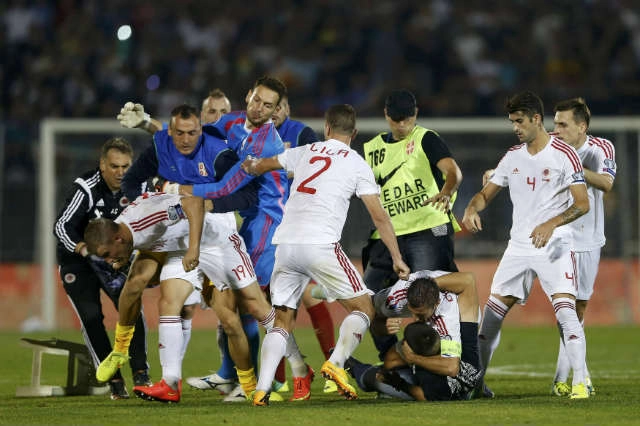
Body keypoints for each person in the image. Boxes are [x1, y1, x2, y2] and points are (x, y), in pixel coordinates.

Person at [241, 104, 410, 406]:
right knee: (364, 307)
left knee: (282, 320)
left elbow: (264, 164)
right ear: (354, 133)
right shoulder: (357, 163)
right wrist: (397, 257)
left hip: (286, 244)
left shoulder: (305, 151)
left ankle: (262, 389)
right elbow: (379, 216)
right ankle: (336, 362)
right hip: (320, 244)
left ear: (327, 128)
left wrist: (249, 164)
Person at [462, 90, 591, 399]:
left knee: (566, 312)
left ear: (536, 119)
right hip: (519, 247)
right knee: (491, 317)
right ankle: (475, 385)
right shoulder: (512, 157)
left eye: (519, 121)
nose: (515, 127)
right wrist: (471, 208)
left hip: (555, 244)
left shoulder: (564, 154)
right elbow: (485, 194)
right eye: (512, 122)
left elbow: (582, 203)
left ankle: (579, 382)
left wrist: (551, 224)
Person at [53, 137, 150, 400]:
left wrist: (129, 255)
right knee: (92, 317)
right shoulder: (86, 187)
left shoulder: (140, 185)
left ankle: (141, 373)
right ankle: (114, 380)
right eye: (114, 166)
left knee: (131, 309)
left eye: (125, 166)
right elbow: (61, 226)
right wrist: (85, 250)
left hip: (115, 260)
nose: (120, 173)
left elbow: (149, 223)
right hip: (79, 262)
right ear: (102, 165)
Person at [361, 89, 463, 295]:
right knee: (368, 296)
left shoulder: (426, 138)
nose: (401, 125)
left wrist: (446, 191)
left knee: (427, 295)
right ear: (386, 114)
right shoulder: (372, 148)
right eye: (396, 119)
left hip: (428, 229)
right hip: (390, 234)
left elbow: (453, 172)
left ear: (415, 113)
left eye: (406, 119)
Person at [550, 97, 616, 396]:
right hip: (556, 236)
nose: (557, 130)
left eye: (563, 125)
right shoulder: (548, 144)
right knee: (565, 306)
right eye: (555, 123)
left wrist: (573, 166)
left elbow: (606, 183)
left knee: (579, 308)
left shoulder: (601, 148)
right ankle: (580, 376)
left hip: (589, 238)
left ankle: (561, 377)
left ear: (582, 127)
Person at [347, 321, 481, 401]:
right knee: (389, 368)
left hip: (436, 390)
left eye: (405, 342)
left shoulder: (432, 379)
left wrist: (397, 383)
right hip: (469, 378)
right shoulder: (451, 337)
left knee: (373, 378)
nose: (404, 343)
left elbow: (422, 396)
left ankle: (354, 367)